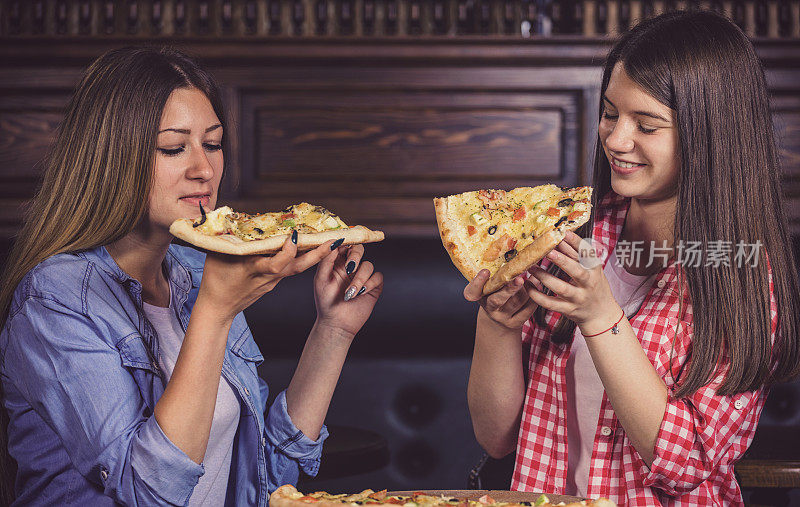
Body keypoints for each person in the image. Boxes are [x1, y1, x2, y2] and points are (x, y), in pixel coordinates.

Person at [0, 47, 383, 506]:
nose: (203, 170)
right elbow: (148, 491)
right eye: (173, 147)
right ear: (111, 159)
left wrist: (332, 331)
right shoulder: (54, 299)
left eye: (214, 144)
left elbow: (267, 474)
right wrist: (215, 312)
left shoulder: (199, 270)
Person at [464, 10, 800, 506]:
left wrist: (602, 318)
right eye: (610, 113)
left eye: (647, 125)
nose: (617, 140)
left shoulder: (743, 274)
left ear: (711, 137)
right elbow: (498, 441)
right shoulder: (571, 239)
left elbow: (684, 463)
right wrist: (496, 327)